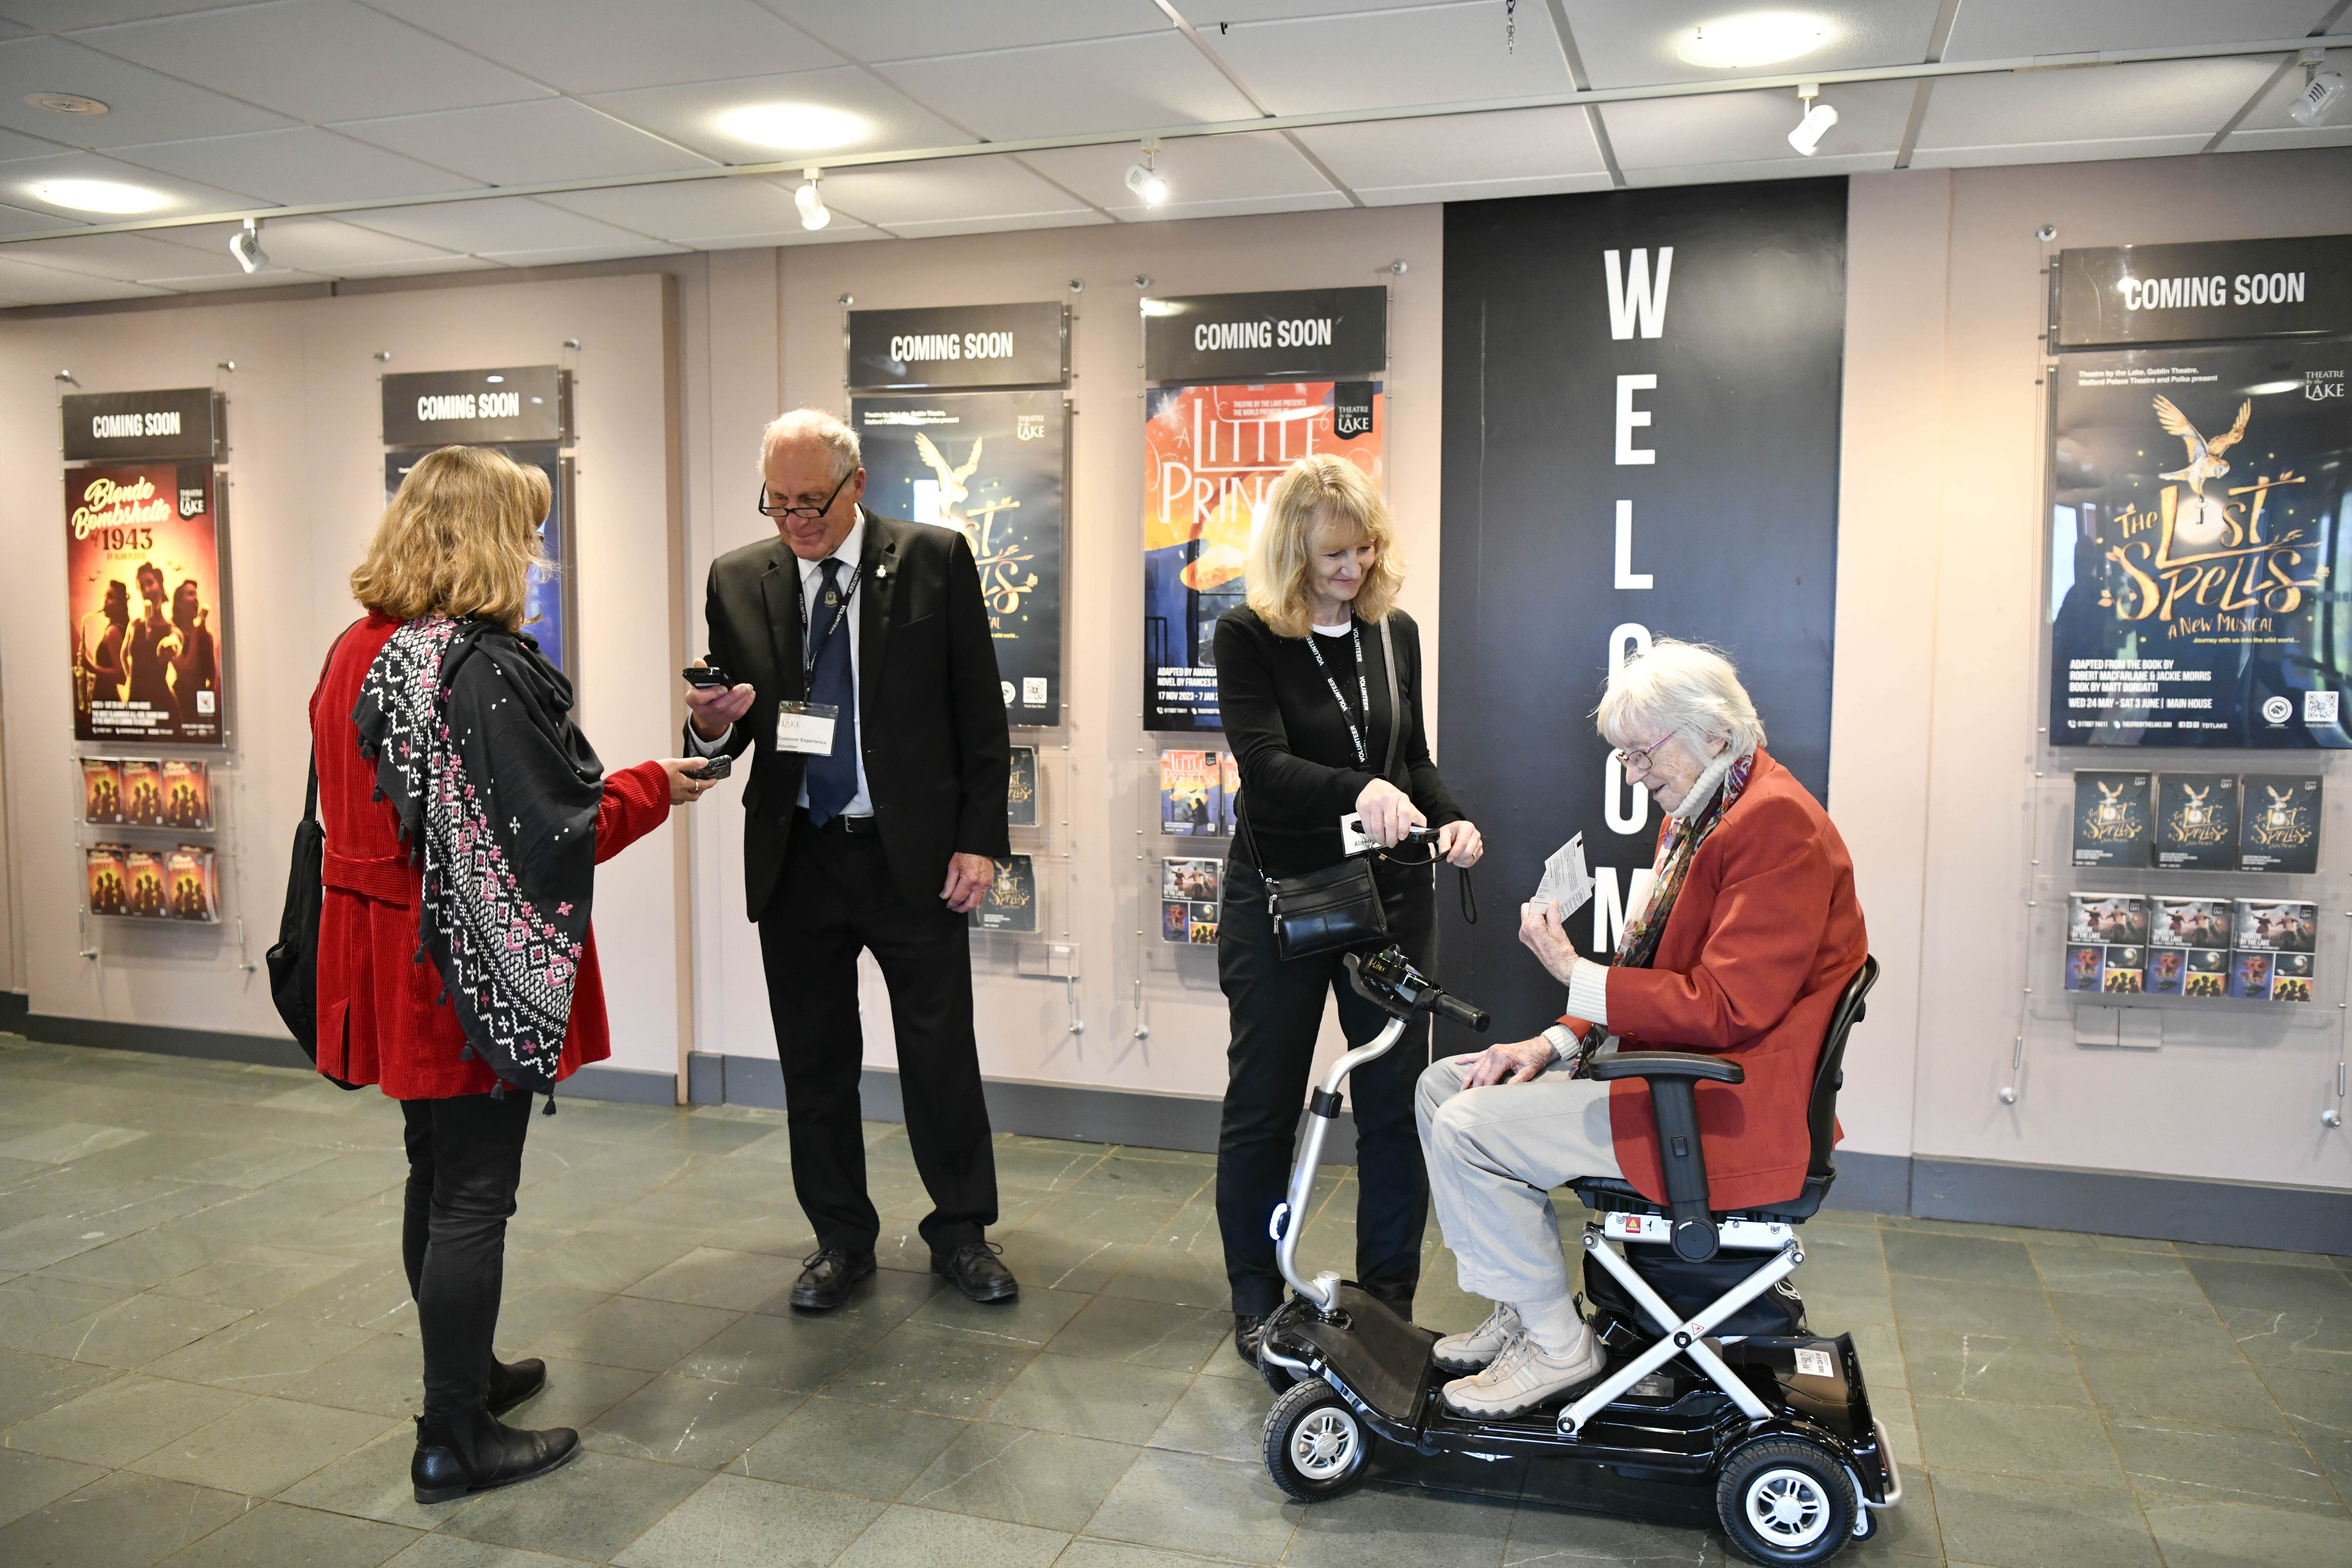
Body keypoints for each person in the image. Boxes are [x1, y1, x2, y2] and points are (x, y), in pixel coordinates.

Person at [310, 446, 717, 1503]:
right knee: (474, 1193)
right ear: (492, 539)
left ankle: (469, 1373)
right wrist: (651, 785)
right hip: (455, 967)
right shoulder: (476, 665)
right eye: (528, 530)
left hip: (382, 951)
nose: (537, 552)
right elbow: (548, 830)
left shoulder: (358, 647)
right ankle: (453, 1434)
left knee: (433, 1172)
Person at [1415, 640, 1866, 1418]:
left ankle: (1559, 1346)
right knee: (1442, 1084)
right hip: (1676, 1071)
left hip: (1720, 1105)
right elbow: (1651, 971)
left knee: (1466, 1129)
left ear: (1715, 734)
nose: (1632, 773)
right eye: (1625, 756)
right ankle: (1527, 1311)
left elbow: (1726, 1008)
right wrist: (1550, 1043)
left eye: (1640, 753)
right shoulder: (1704, 811)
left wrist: (1574, 976)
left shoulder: (1776, 827)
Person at [683, 408, 1017, 1310]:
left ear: (855, 485)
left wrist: (980, 839)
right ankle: (839, 1237)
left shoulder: (934, 560)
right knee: (815, 1061)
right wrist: (708, 726)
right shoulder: (737, 577)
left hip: (909, 855)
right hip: (800, 855)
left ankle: (961, 1231)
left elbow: (980, 717)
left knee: (938, 1054)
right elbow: (729, 731)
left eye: (811, 502)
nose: (795, 521)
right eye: (779, 503)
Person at [1214, 453, 1483, 1362]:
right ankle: (1255, 1297)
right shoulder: (1247, 636)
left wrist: (1449, 818)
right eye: (1333, 554)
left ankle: (1389, 1303)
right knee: (1263, 1099)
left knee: (1395, 1103)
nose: (1353, 569)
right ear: (1294, 554)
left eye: (1366, 548)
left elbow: (1412, 759)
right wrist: (1359, 789)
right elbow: (1265, 766)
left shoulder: (1392, 632)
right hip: (1283, 894)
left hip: (1391, 897)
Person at [125, 562, 176, 711]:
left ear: (161, 586)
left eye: (150, 583)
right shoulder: (135, 624)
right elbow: (124, 656)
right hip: (136, 702)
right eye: (142, 587)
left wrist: (170, 644)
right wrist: (135, 681)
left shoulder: (171, 629)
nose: (146, 590)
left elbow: (175, 641)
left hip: (161, 706)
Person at [169, 578, 217, 726]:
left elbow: (212, 676)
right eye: (190, 594)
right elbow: (185, 672)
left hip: (201, 698)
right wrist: (196, 633)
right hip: (182, 701)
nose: (196, 599)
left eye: (196, 595)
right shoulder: (174, 634)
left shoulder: (206, 635)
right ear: (179, 603)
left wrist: (208, 709)